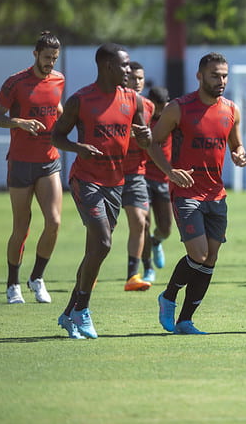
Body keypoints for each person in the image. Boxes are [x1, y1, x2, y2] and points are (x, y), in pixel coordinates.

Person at [52, 43, 152, 339]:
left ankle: (70, 312)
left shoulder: (132, 100)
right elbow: (57, 135)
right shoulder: (80, 100)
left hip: (116, 183)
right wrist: (77, 147)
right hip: (86, 181)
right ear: (108, 66)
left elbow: (144, 141)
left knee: (94, 250)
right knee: (105, 244)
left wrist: (146, 136)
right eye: (124, 66)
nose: (129, 70)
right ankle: (83, 311)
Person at [151, 52, 246, 335]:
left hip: (216, 195)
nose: (221, 80)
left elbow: (236, 145)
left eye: (224, 75)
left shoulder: (231, 109)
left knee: (210, 259)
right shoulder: (178, 108)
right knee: (199, 253)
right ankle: (168, 296)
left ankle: (185, 320)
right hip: (186, 193)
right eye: (215, 75)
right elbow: (154, 143)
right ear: (200, 76)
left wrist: (240, 154)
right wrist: (170, 172)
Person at [0, 31, 65, 304]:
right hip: (21, 162)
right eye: (46, 58)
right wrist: (19, 122)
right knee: (21, 227)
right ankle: (13, 283)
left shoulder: (58, 79)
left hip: (49, 160)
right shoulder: (15, 83)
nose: (50, 64)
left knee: (54, 222)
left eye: (54, 59)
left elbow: (55, 104)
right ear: (35, 54)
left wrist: (67, 122)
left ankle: (37, 278)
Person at [119, 62, 154, 291]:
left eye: (140, 78)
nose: (137, 82)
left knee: (141, 222)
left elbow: (155, 140)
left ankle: (134, 275)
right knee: (102, 231)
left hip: (136, 174)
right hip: (108, 173)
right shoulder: (113, 102)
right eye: (133, 78)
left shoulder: (149, 106)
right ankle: (88, 275)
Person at [142, 86, 173, 281]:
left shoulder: (172, 116)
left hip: (163, 179)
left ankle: (156, 242)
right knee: (143, 223)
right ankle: (147, 268)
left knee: (166, 228)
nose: (160, 112)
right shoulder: (142, 116)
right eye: (158, 109)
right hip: (142, 177)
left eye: (163, 107)